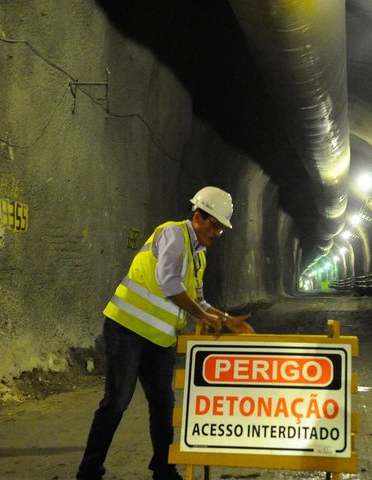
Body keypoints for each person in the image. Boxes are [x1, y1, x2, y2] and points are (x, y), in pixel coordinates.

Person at [76, 186, 253, 480]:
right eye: (215, 225)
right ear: (198, 216)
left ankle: (164, 469)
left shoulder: (200, 256)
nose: (217, 234)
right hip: (127, 330)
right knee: (117, 402)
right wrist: (204, 316)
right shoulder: (173, 234)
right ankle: (89, 471)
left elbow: (197, 299)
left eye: (221, 229)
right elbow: (169, 283)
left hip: (159, 340)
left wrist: (226, 318)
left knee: (163, 405)